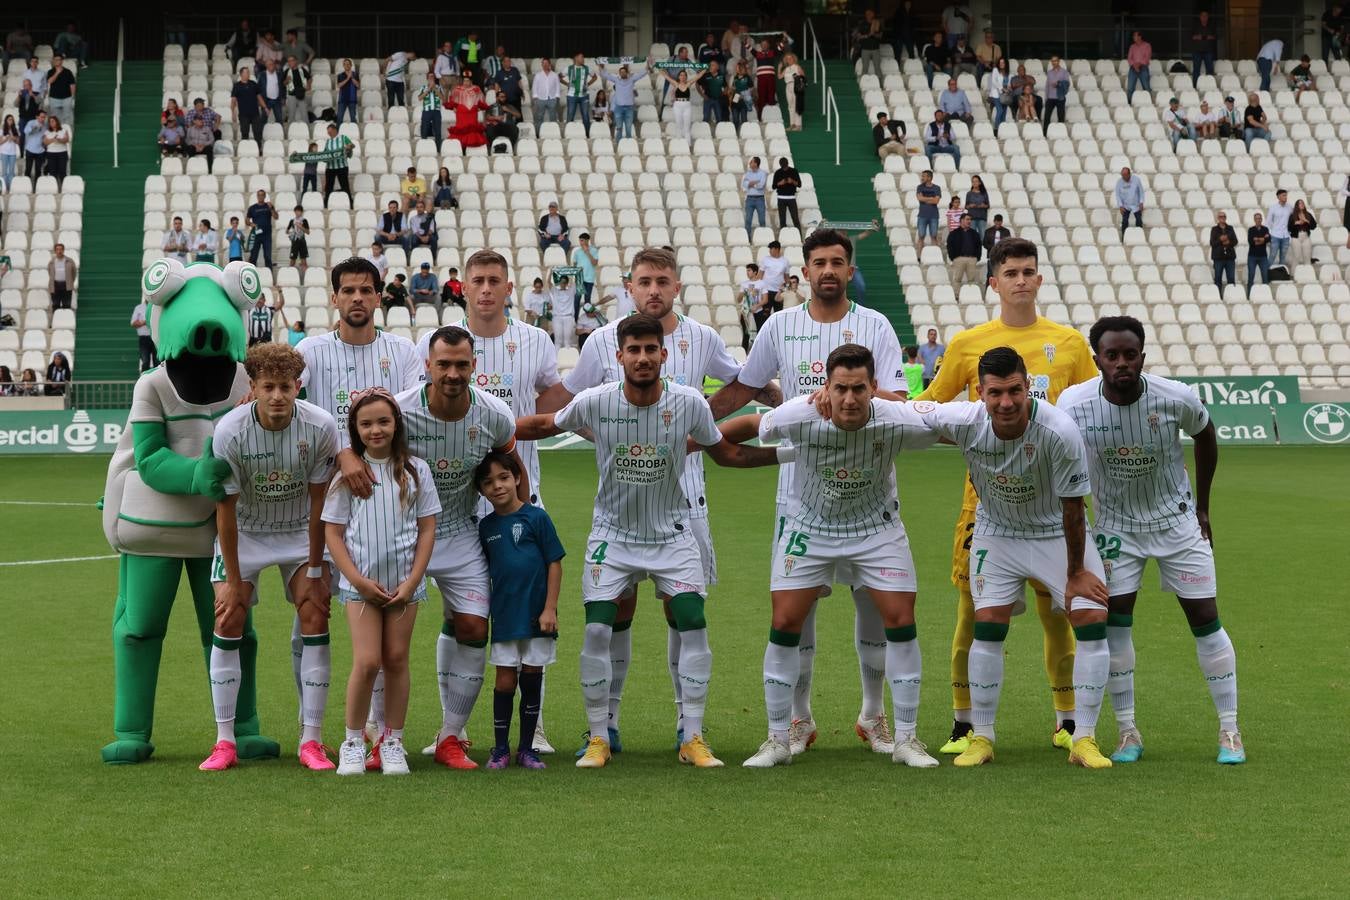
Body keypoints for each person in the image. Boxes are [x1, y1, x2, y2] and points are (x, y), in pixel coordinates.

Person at [515, 313, 781, 768]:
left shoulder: (690, 403)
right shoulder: (596, 401)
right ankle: (599, 737)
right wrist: (486, 433)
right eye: (633, 350)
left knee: (692, 620)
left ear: (664, 354)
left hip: (671, 533)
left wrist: (790, 454)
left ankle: (693, 736)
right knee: (599, 628)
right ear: (619, 356)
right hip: (612, 535)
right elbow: (543, 425)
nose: (642, 358)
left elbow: (728, 453)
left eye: (650, 350)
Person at [555, 247, 766, 751]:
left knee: (683, 613)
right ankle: (605, 725)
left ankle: (686, 725)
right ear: (629, 286)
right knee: (616, 612)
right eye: (644, 281)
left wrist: (697, 426)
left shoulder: (702, 337)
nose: (653, 290)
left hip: (685, 497)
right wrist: (612, 437)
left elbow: (743, 383)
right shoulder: (601, 341)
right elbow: (571, 402)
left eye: (662, 281)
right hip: (622, 500)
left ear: (677, 287)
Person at [706, 230, 907, 758]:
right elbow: (745, 388)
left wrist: (840, 394)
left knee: (873, 608)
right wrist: (688, 426)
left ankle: (872, 714)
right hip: (799, 495)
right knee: (799, 612)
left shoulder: (876, 324)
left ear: (849, 267)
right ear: (805, 269)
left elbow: (900, 399)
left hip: (868, 489)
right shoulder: (781, 325)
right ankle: (799, 719)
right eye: (819, 263)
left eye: (837, 262)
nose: (828, 272)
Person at [915, 237, 1099, 759]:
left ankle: (1067, 720)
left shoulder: (1068, 343)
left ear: (1040, 279)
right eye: (1010, 272)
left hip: (1053, 502)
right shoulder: (969, 343)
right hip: (986, 504)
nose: (1021, 280)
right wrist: (885, 403)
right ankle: (963, 723)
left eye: (1029, 271)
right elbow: (932, 405)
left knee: (1059, 614)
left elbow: (1089, 410)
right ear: (992, 281)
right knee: (973, 613)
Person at [737, 345, 942, 769]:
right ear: (825, 388)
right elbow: (740, 428)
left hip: (876, 530)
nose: (849, 399)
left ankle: (905, 738)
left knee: (901, 620)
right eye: (840, 389)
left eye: (859, 389)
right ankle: (778, 738)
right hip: (809, 530)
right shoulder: (799, 414)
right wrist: (697, 440)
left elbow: (951, 424)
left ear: (875, 389)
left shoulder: (895, 417)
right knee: (784, 622)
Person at [1058, 316, 1241, 765]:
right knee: (1116, 623)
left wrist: (1203, 507)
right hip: (1117, 530)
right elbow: (1059, 457)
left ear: (1143, 355)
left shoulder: (1175, 397)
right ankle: (1127, 731)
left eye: (1130, 354)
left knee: (1206, 619)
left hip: (1177, 525)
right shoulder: (1074, 403)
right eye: (1112, 355)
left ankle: (1230, 730)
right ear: (1097, 358)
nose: (1122, 363)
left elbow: (1205, 434)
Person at [298, 257, 424, 760]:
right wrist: (342, 453)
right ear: (334, 298)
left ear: (378, 298)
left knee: (386, 631)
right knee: (314, 614)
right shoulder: (311, 350)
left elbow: (411, 415)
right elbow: (292, 411)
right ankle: (312, 733)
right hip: (324, 502)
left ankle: (377, 734)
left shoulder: (403, 351)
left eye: (365, 290)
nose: (356, 298)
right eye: (346, 290)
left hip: (388, 506)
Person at [200, 344, 340, 772]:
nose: (277, 395)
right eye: (268, 387)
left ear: (299, 386)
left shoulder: (320, 426)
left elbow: (320, 504)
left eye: (285, 386)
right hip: (244, 532)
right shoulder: (230, 430)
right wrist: (232, 580)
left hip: (300, 530)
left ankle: (311, 740)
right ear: (253, 387)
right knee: (229, 617)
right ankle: (224, 741)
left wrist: (316, 570)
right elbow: (224, 510)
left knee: (315, 611)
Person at [392, 327, 525, 771]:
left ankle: (451, 736)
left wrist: (521, 524)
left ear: (474, 366)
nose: (452, 373)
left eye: (461, 365)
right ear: (427, 366)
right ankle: (379, 736)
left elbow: (510, 466)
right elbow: (357, 450)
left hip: (458, 528)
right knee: (388, 640)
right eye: (443, 364)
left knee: (471, 625)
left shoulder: (494, 414)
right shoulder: (399, 411)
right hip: (403, 533)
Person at [324, 387, 439, 776]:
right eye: (366, 423)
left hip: (404, 586)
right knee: (367, 660)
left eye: (384, 421)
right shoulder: (347, 476)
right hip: (360, 589)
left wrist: (411, 582)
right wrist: (356, 580)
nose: (376, 430)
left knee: (395, 660)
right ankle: (354, 740)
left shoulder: (415, 470)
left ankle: (393, 741)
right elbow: (334, 534)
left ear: (396, 424)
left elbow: (426, 530)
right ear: (355, 429)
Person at [475, 452, 564, 770]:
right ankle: (500, 749)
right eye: (488, 482)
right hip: (504, 617)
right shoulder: (485, 527)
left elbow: (554, 562)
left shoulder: (536, 518)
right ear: (482, 491)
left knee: (531, 678)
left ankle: (527, 749)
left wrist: (549, 609)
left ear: (517, 479)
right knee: (503, 682)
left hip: (537, 617)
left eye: (503, 478)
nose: (497, 486)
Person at [600, 60, 647, 140]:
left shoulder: (632, 79)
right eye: (621, 72)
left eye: (624, 72)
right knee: (619, 128)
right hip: (619, 108)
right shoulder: (616, 80)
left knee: (628, 128)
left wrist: (648, 66)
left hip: (629, 108)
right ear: (619, 74)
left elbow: (641, 74)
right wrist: (601, 67)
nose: (622, 73)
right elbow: (606, 75)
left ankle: (627, 146)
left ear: (627, 73)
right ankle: (619, 145)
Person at [659, 66, 706, 143]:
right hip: (677, 106)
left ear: (686, 77)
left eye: (684, 75)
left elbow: (698, 76)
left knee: (687, 127)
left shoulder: (688, 84)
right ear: (678, 77)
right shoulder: (676, 84)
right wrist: (660, 69)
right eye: (681, 75)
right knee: (679, 126)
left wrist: (705, 69)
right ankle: (679, 144)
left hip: (687, 106)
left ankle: (688, 144)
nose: (683, 77)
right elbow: (666, 76)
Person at [560, 52, 597, 136]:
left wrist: (588, 84)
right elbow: (559, 77)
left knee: (586, 116)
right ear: (576, 58)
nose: (583, 59)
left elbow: (595, 77)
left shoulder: (587, 68)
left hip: (584, 96)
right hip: (572, 95)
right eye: (581, 57)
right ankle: (568, 134)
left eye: (583, 57)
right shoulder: (568, 68)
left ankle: (587, 134)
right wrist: (567, 84)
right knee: (570, 115)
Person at [321, 123, 354, 208]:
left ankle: (350, 204)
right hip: (330, 168)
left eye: (330, 132)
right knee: (328, 188)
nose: (329, 134)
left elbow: (352, 145)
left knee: (345, 186)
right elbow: (325, 154)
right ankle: (326, 205)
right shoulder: (328, 141)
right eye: (328, 132)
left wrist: (349, 147)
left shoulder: (343, 138)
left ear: (335, 130)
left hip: (342, 167)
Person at [947, 214, 983, 292]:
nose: (969, 221)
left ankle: (970, 295)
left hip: (972, 259)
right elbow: (949, 246)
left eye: (970, 219)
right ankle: (956, 296)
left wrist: (977, 257)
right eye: (967, 219)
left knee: (971, 280)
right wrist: (953, 257)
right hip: (959, 259)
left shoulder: (975, 233)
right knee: (957, 279)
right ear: (962, 220)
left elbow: (979, 246)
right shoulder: (954, 233)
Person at [230, 67, 266, 145]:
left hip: (255, 114)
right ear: (241, 74)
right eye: (246, 72)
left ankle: (259, 150)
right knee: (244, 133)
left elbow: (259, 97)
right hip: (243, 114)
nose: (248, 74)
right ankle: (245, 149)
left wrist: (265, 107)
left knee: (257, 133)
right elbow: (233, 101)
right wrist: (233, 113)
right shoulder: (237, 86)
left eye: (248, 72)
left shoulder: (253, 84)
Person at [246, 190, 278, 268]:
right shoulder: (252, 208)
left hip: (267, 236)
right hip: (256, 235)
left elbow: (276, 217)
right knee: (253, 257)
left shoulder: (269, 206)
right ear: (257, 196)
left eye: (262, 195)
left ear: (264, 196)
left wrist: (272, 208)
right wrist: (250, 224)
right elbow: (247, 220)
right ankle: (252, 275)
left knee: (267, 257)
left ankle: (270, 275)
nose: (260, 197)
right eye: (259, 195)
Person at [414, 74, 444, 152]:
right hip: (426, 111)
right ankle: (424, 148)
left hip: (436, 111)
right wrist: (428, 89)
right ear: (427, 79)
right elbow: (420, 98)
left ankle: (438, 150)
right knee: (424, 130)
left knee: (438, 131)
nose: (431, 78)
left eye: (432, 77)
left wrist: (434, 88)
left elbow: (442, 98)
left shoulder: (439, 87)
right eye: (430, 77)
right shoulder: (423, 87)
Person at [571, 233, 600, 313]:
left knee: (587, 299)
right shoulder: (577, 252)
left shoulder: (594, 250)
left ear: (587, 240)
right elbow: (574, 265)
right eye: (580, 240)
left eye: (582, 240)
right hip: (580, 278)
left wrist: (587, 252)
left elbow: (594, 263)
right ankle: (575, 319)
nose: (580, 242)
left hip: (589, 278)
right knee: (577, 299)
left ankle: (587, 318)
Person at [1209, 212, 1238, 290]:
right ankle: (1218, 297)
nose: (1222, 218)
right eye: (1221, 216)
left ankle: (1232, 295)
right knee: (1218, 279)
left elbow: (1235, 241)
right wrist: (1220, 240)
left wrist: (1229, 242)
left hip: (1230, 257)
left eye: (1224, 216)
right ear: (1218, 218)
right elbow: (1212, 243)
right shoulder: (1214, 229)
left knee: (1231, 279)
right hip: (1218, 258)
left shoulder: (1230, 228)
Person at [772, 158, 802, 231]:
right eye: (783, 165)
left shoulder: (794, 171)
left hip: (791, 198)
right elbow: (773, 186)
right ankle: (783, 236)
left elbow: (799, 185)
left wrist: (792, 181)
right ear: (780, 165)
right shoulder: (778, 172)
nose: (784, 167)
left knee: (795, 219)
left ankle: (800, 238)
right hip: (781, 198)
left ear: (787, 163)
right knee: (782, 221)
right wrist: (780, 183)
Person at [44, 55, 76, 125]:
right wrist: (57, 73)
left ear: (61, 61)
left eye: (58, 60)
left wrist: (72, 97)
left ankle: (67, 132)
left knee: (67, 116)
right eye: (55, 60)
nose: (56, 61)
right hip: (54, 97)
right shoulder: (50, 71)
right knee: (55, 117)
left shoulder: (68, 72)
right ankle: (57, 132)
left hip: (67, 97)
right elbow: (50, 81)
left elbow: (72, 85)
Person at [915, 169, 942, 250]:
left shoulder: (937, 188)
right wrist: (931, 198)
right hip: (922, 216)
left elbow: (936, 201)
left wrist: (925, 199)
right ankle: (919, 257)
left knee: (934, 236)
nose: (922, 178)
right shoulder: (919, 187)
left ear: (929, 178)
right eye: (922, 176)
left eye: (923, 176)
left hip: (934, 216)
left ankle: (935, 256)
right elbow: (920, 198)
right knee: (921, 236)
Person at [1114, 167, 1145, 238]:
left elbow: (1141, 192)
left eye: (1125, 175)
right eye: (1122, 175)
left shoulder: (1136, 180)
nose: (1123, 177)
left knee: (1139, 220)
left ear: (1129, 174)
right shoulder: (1119, 182)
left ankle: (1140, 236)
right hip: (1125, 205)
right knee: (1124, 221)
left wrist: (1141, 202)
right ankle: (1124, 237)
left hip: (1136, 204)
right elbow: (1117, 195)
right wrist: (1120, 206)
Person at [1041, 55, 1069, 131]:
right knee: (1047, 117)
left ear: (1059, 61)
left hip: (1060, 97)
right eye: (1052, 61)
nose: (1054, 62)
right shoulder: (1049, 72)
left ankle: (1061, 133)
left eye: (1055, 60)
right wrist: (1046, 98)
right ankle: (1045, 133)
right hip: (1050, 98)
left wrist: (1058, 84)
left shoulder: (1064, 72)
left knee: (1061, 117)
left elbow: (1067, 84)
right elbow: (1047, 85)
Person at [1266, 188, 1292, 269]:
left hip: (1286, 235)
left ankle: (1281, 275)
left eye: (1286, 195)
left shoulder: (1290, 207)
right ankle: (1266, 274)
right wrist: (1270, 233)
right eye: (1283, 195)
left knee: (1283, 257)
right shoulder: (1273, 207)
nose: (1285, 197)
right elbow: (1268, 222)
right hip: (1275, 235)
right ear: (1278, 197)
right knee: (1272, 255)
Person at [780, 53, 806, 132]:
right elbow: (780, 77)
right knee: (790, 105)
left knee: (797, 105)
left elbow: (803, 76)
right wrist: (779, 68)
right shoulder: (786, 69)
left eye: (790, 58)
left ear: (794, 59)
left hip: (796, 86)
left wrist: (800, 83)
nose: (789, 60)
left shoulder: (797, 67)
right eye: (787, 59)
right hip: (788, 86)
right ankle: (792, 124)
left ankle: (798, 125)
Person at [530, 58, 561, 125]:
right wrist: (535, 97)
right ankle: (538, 132)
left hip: (552, 98)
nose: (545, 65)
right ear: (541, 65)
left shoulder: (555, 75)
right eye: (543, 63)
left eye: (546, 63)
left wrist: (557, 96)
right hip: (541, 98)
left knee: (553, 117)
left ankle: (554, 131)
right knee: (539, 116)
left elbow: (557, 86)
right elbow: (534, 86)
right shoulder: (538, 75)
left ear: (549, 64)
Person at [549, 275, 576, 350]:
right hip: (557, 317)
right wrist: (551, 272)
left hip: (568, 317)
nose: (562, 284)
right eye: (561, 282)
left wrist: (573, 270)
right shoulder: (555, 291)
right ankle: (556, 360)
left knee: (567, 342)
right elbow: (548, 283)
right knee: (557, 341)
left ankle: (567, 359)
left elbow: (575, 281)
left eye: (564, 282)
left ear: (567, 283)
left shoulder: (571, 291)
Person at [1289, 199, 1318, 269]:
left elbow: (1314, 226)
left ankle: (1308, 273)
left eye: (1303, 203)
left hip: (1306, 237)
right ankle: (1293, 274)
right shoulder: (1293, 215)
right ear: (1297, 206)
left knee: (1307, 257)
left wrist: (1306, 221)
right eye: (1300, 203)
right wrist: (1296, 223)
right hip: (1296, 237)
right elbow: (1289, 228)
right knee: (1296, 256)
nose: (1302, 204)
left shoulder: (1308, 214)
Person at [283, 55, 312, 125]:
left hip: (301, 94)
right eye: (289, 61)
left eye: (292, 60)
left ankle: (307, 131)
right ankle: (290, 132)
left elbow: (309, 78)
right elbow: (283, 83)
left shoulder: (301, 69)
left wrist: (308, 85)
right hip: (291, 95)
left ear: (296, 61)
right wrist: (287, 80)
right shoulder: (287, 71)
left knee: (304, 115)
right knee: (291, 116)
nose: (290, 62)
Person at [1246, 212, 1271, 294]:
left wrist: (1257, 239)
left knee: (1265, 277)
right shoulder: (1251, 230)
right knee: (1251, 276)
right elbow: (1251, 242)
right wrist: (1263, 239)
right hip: (1252, 257)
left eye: (1260, 218)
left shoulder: (1265, 229)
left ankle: (1266, 295)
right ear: (1254, 220)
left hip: (1263, 257)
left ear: (1261, 219)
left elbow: (1268, 239)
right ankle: (1249, 295)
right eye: (1256, 218)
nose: (1258, 220)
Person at [41, 116, 70, 186]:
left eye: (53, 121)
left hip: (62, 153)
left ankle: (64, 187)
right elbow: (45, 142)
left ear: (57, 122)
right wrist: (53, 139)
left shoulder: (63, 130)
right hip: (51, 154)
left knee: (62, 172)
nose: (51, 123)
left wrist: (59, 140)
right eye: (50, 122)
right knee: (52, 172)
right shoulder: (47, 132)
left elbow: (66, 139)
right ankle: (54, 188)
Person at [1191, 11, 1218, 86]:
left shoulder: (1211, 26)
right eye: (1202, 16)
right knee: (1196, 70)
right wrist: (1204, 37)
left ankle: (1210, 85)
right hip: (1197, 51)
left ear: (1208, 17)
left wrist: (1202, 37)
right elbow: (1192, 36)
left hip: (1208, 51)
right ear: (1200, 17)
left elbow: (1214, 37)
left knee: (1209, 69)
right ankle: (1195, 86)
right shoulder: (1195, 26)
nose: (1204, 17)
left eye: (1206, 16)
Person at [742, 156, 768, 233]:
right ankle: (748, 239)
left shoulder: (763, 173)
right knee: (748, 220)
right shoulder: (748, 173)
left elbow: (761, 185)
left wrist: (751, 184)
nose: (750, 163)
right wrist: (755, 182)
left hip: (759, 199)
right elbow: (745, 184)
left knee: (762, 220)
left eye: (752, 162)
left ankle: (763, 237)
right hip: (749, 198)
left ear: (756, 164)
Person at [986, 57, 1013, 130]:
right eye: (1000, 63)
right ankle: (996, 129)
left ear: (1006, 64)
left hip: (1005, 95)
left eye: (1003, 63)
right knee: (1000, 111)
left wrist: (1009, 88)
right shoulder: (995, 70)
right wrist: (1002, 89)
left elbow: (1009, 83)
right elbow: (994, 82)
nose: (1001, 64)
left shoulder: (1008, 73)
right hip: (996, 94)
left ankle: (1002, 129)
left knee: (1004, 112)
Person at [130, 300, 157, 371]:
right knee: (145, 361)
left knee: (157, 361)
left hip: (155, 337)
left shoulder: (157, 306)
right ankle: (145, 379)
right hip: (144, 338)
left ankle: (157, 381)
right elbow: (133, 323)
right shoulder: (139, 308)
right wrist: (144, 322)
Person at [48, 242, 77, 310]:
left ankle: (66, 319)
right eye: (57, 249)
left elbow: (74, 273)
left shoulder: (70, 261)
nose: (59, 251)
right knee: (55, 305)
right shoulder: (51, 262)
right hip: (55, 286)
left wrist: (70, 281)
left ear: (63, 250)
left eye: (61, 249)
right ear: (55, 251)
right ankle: (55, 320)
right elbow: (50, 273)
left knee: (66, 305)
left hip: (66, 286)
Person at [1126, 31, 1153, 101]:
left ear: (1139, 37)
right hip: (1133, 68)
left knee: (1146, 87)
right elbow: (1129, 58)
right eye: (1133, 36)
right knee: (1130, 88)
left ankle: (1149, 102)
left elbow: (1147, 58)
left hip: (1143, 67)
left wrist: (1139, 64)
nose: (1133, 37)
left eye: (1135, 35)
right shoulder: (1132, 47)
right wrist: (1135, 65)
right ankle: (1129, 104)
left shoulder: (1147, 46)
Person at [857, 8, 884, 77]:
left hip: (875, 48)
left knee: (877, 68)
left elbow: (880, 36)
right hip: (865, 49)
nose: (868, 15)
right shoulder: (862, 24)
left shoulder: (877, 23)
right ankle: (863, 84)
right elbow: (859, 36)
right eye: (867, 14)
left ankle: (880, 85)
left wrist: (874, 34)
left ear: (873, 14)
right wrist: (868, 35)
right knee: (865, 68)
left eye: (869, 13)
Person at [336, 59, 360, 124]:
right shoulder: (340, 75)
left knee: (353, 118)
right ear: (343, 66)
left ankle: (354, 133)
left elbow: (358, 85)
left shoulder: (355, 74)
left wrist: (351, 77)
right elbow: (339, 85)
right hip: (342, 100)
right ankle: (338, 133)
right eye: (345, 64)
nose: (347, 65)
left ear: (351, 65)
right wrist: (347, 78)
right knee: (339, 118)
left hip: (352, 99)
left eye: (348, 64)